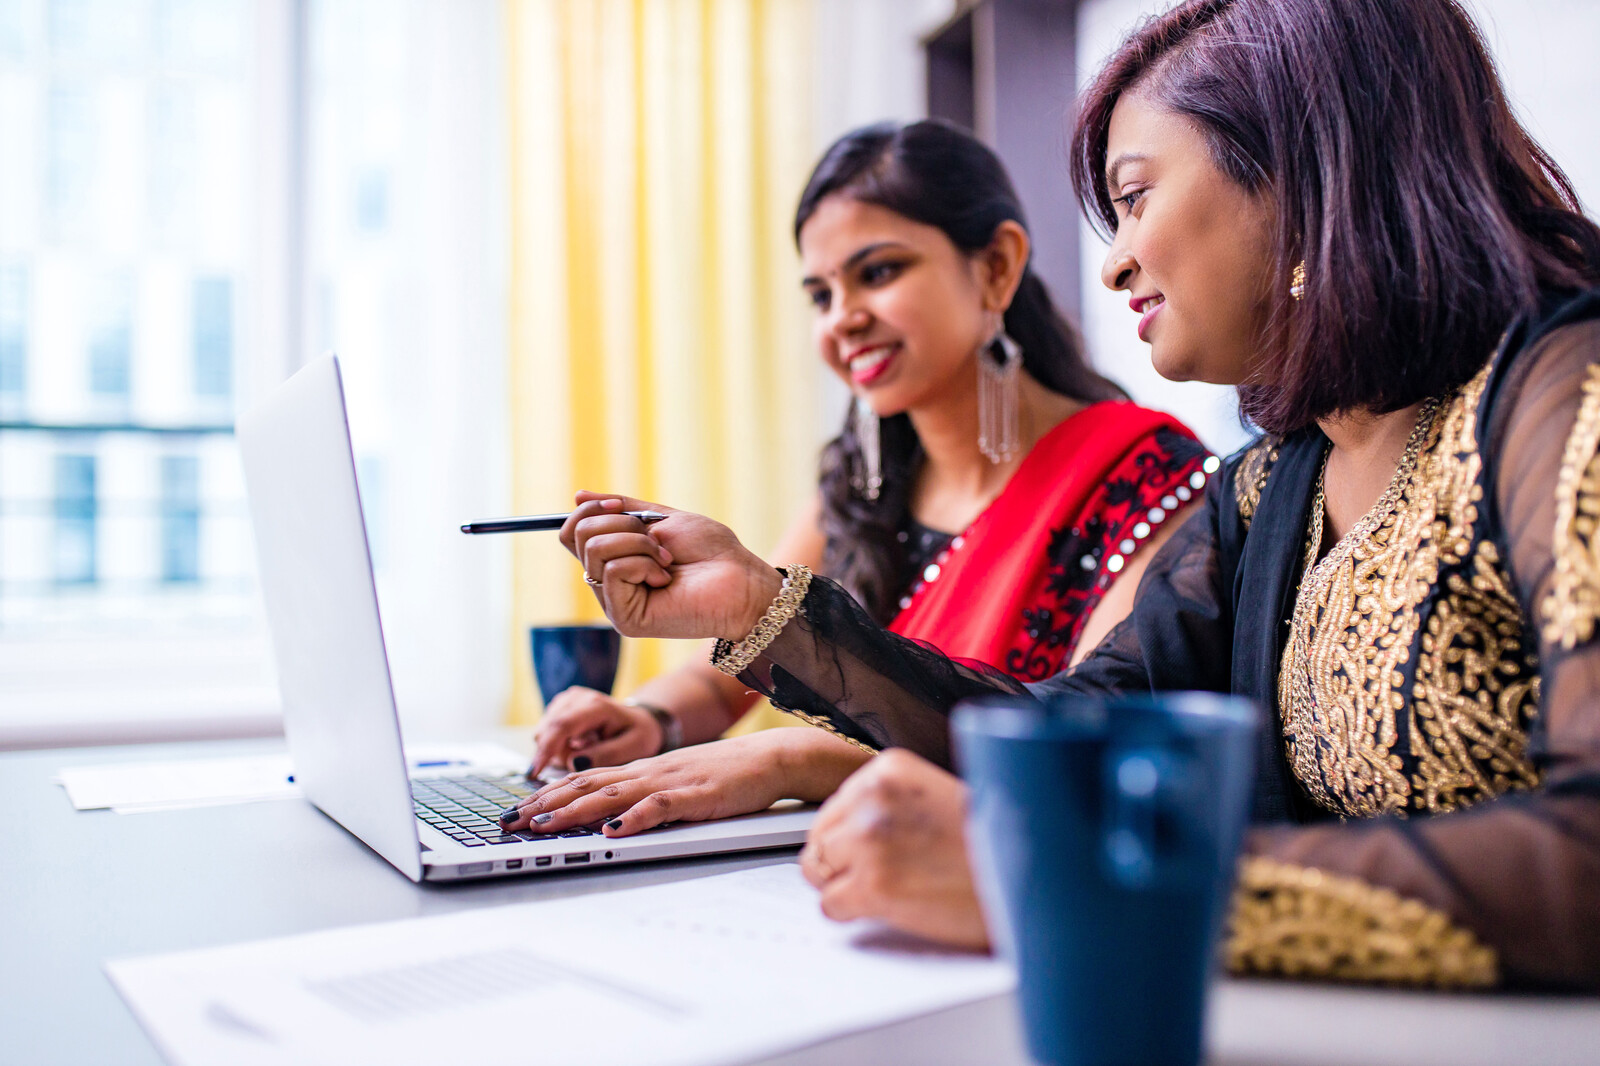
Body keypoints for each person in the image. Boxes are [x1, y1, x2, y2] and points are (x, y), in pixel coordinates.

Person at [552, 0, 1600, 991]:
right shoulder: (1278, 480)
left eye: (1135, 197)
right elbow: (1067, 726)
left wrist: (1073, 882)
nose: (1115, 264)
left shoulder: (1563, 393)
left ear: (1305, 177)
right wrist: (754, 608)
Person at [503, 122, 1209, 833]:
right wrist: (646, 718)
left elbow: (1085, 749)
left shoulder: (1144, 477)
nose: (844, 319)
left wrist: (798, 760)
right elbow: (727, 682)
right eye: (821, 294)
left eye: (878, 273)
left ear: (996, 266)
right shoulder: (861, 484)